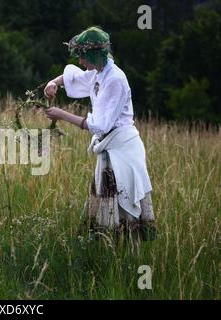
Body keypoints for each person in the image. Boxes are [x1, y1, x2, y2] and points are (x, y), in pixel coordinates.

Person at [43, 26, 156, 241]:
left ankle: (128, 257)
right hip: (108, 148)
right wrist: (53, 83)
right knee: (107, 203)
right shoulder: (99, 73)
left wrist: (61, 115)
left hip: (123, 150)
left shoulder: (115, 80)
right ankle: (107, 250)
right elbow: (75, 78)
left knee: (123, 204)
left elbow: (101, 126)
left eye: (83, 56)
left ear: (95, 54)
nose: (80, 62)